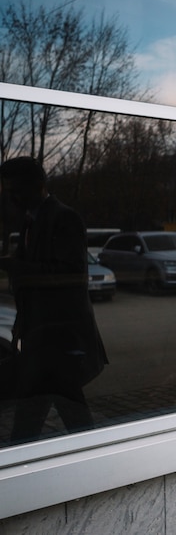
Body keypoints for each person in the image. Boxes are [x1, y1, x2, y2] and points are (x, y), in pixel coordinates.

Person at [0, 156, 108, 443]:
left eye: (16, 190)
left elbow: (73, 276)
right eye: (8, 190)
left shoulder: (62, 218)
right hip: (45, 340)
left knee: (39, 414)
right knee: (59, 411)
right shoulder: (30, 221)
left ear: (37, 186)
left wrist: (17, 267)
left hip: (60, 341)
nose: (11, 197)